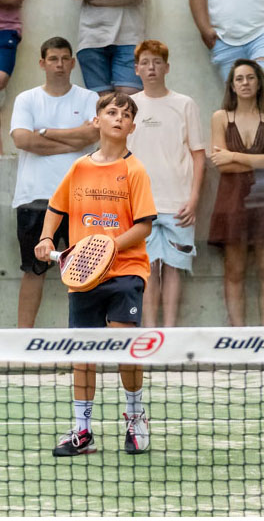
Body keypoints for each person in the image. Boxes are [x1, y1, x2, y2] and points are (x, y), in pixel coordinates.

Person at [34, 91, 157, 457]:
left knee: (124, 346)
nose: (118, 117)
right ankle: (83, 430)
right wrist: (45, 237)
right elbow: (56, 207)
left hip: (126, 272)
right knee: (83, 354)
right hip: (83, 275)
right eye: (112, 111)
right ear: (97, 120)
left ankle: (135, 417)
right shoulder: (79, 168)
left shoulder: (135, 171)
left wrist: (107, 248)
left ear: (132, 127)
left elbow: (144, 226)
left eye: (126, 114)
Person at [10, 37, 100, 328]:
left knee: (84, 270)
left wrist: (45, 132)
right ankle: (23, 339)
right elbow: (22, 140)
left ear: (73, 63)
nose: (59, 65)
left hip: (81, 199)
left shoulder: (89, 98)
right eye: (53, 59)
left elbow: (92, 135)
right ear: (42, 63)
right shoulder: (27, 99)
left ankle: (87, 338)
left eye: (64, 59)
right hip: (35, 199)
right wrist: (73, 141)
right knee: (33, 269)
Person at [129, 40, 206, 328]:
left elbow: (199, 155)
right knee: (147, 268)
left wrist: (194, 199)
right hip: (141, 204)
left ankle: (170, 331)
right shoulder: (129, 106)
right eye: (145, 62)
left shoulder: (185, 104)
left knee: (174, 267)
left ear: (167, 67)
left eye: (157, 62)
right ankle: (150, 331)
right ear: (136, 69)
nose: (151, 68)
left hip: (179, 203)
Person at [207, 59, 264, 327]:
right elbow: (222, 166)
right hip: (232, 200)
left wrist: (232, 155)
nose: (245, 83)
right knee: (234, 271)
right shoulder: (220, 117)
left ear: (259, 83)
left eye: (250, 78)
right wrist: (259, 160)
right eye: (239, 79)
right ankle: (238, 335)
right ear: (231, 85)